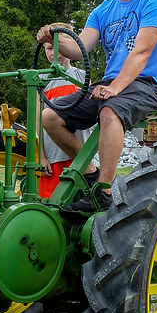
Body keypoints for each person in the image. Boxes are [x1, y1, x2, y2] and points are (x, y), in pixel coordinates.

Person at [37, 0, 157, 213]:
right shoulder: (104, 10)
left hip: (151, 83)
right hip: (114, 82)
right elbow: (78, 48)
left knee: (110, 110)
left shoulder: (156, 0)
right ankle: (90, 175)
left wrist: (115, 89)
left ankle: (104, 191)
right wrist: (53, 36)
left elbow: (142, 51)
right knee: (49, 117)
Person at [37, 32, 96, 198]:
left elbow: (90, 112)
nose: (54, 53)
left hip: (78, 150)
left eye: (60, 48)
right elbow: (37, 119)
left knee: (79, 196)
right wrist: (41, 156)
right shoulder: (41, 80)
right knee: (53, 199)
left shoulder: (82, 77)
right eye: (49, 48)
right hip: (52, 154)